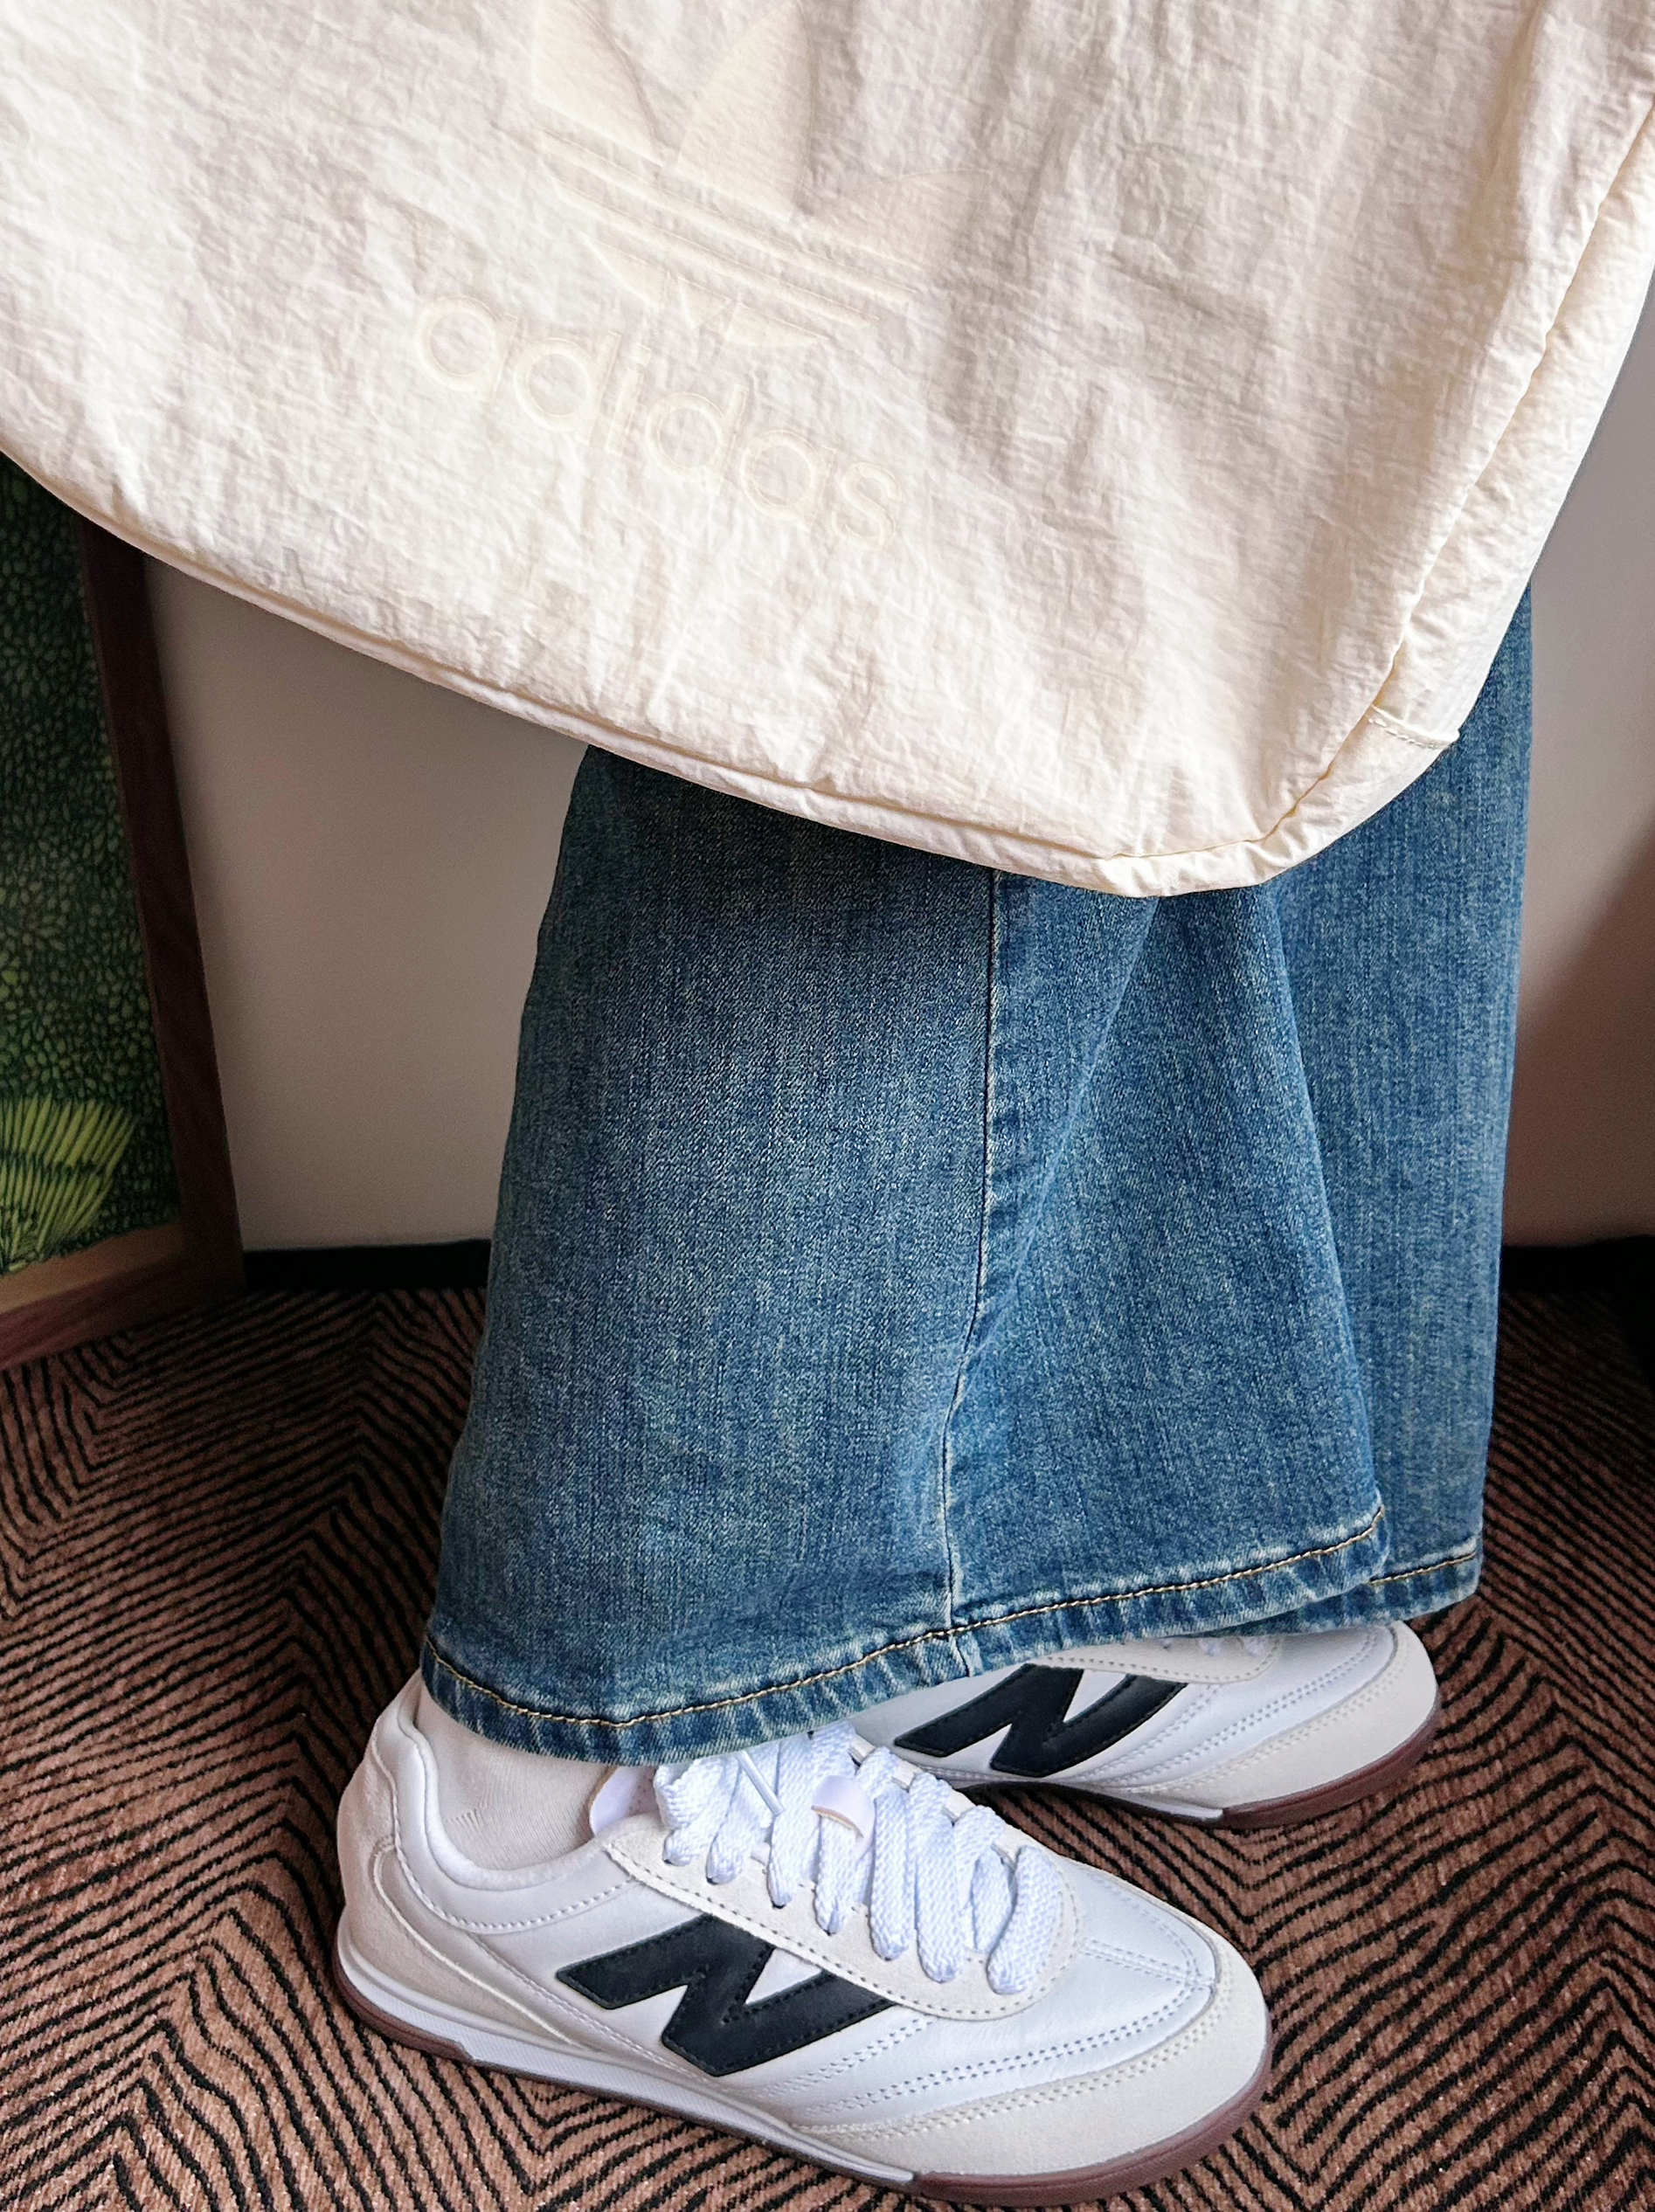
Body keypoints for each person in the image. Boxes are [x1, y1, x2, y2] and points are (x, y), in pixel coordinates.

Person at [332, 599, 1531, 2203]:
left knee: (1344, 595)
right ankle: (544, 1802)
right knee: (957, 615)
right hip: (563, 1768)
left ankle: (921, 1589)